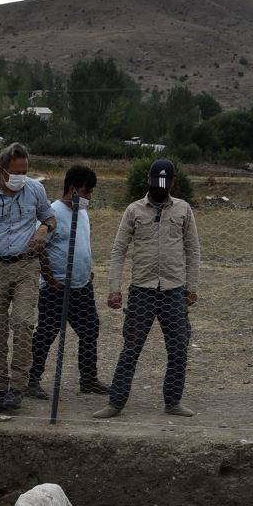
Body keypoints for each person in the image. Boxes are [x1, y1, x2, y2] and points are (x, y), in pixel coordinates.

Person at [96, 158, 201, 419]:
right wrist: (114, 288)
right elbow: (118, 250)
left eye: (165, 185)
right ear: (148, 181)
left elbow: (193, 249)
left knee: (178, 348)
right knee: (131, 348)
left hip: (174, 290)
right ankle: (116, 403)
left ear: (173, 183)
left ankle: (173, 402)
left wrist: (192, 286)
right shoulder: (133, 211)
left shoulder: (183, 210)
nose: (160, 189)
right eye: (156, 184)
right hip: (142, 290)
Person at [0, 143, 56, 414]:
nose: (21, 176)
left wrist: (43, 228)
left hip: (26, 266)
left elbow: (51, 218)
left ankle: (17, 386)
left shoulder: (35, 190)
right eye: (16, 172)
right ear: (2, 170)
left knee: (24, 323)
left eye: (25, 171)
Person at [27, 164, 111, 400]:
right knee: (46, 333)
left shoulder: (82, 212)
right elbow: (39, 246)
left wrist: (89, 270)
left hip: (82, 286)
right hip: (57, 289)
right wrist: (50, 278)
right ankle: (32, 380)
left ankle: (89, 379)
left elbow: (83, 243)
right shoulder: (52, 214)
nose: (89, 197)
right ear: (73, 188)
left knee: (90, 330)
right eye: (86, 192)